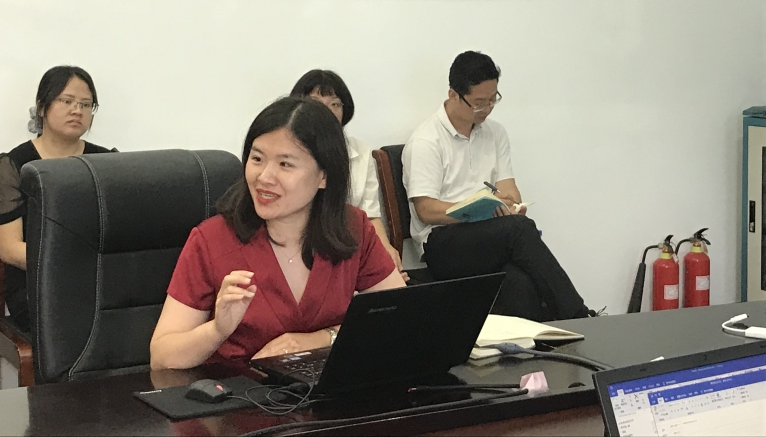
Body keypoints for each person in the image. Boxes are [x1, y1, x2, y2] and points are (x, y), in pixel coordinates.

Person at [150, 97, 405, 368]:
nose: (264, 177)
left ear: (324, 176)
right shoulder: (211, 240)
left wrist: (321, 339)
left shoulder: (352, 227)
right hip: (242, 388)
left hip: (329, 386)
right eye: (257, 159)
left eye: (285, 164)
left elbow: (403, 317)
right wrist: (217, 330)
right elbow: (162, 358)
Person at [402, 51, 592, 320]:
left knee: (519, 282)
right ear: (453, 95)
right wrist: (472, 210)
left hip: (488, 239)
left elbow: (509, 189)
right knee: (520, 230)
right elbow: (426, 210)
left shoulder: (495, 133)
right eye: (479, 103)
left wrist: (510, 205)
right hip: (442, 244)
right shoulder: (426, 141)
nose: (487, 109)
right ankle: (580, 316)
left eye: (493, 100)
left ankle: (550, 340)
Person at [0, 66, 114, 333]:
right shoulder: (16, 165)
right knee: (82, 320)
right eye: (67, 101)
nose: (77, 110)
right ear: (42, 107)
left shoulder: (106, 163)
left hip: (97, 280)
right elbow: (9, 249)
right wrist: (71, 265)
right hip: (36, 283)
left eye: (86, 104)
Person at [290, 69, 407, 280]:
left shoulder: (360, 152)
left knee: (394, 283)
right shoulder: (288, 151)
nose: (326, 111)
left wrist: (386, 251)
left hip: (350, 246)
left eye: (334, 104)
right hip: (302, 247)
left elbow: (371, 215)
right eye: (316, 103)